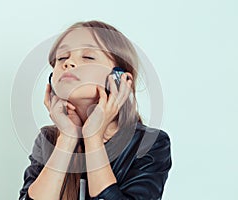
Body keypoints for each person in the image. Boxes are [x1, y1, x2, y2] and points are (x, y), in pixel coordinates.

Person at [18, 20, 172, 200]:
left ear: (121, 79)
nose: (69, 63)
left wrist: (93, 137)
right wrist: (67, 139)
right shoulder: (48, 141)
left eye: (88, 57)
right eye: (62, 58)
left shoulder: (149, 144)